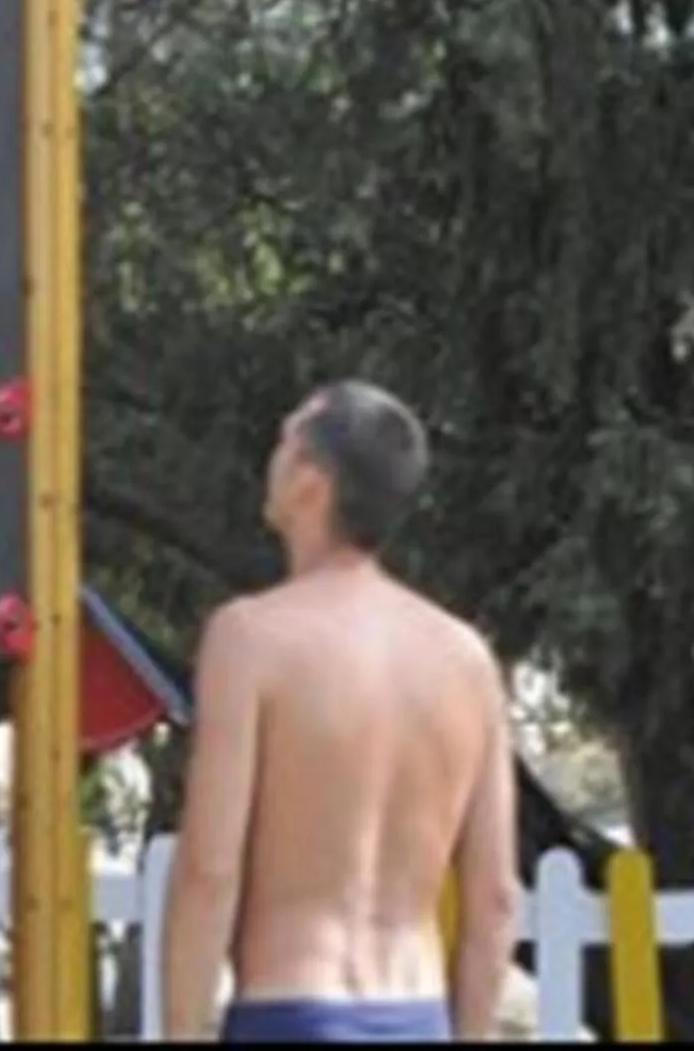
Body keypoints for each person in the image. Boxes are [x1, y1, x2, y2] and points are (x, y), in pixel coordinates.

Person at [159, 382, 522, 1044]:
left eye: (283, 439)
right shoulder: (465, 659)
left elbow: (209, 870)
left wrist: (182, 1030)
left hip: (292, 1010)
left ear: (310, 482)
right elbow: (495, 898)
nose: (269, 458)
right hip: (417, 1013)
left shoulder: (250, 639)